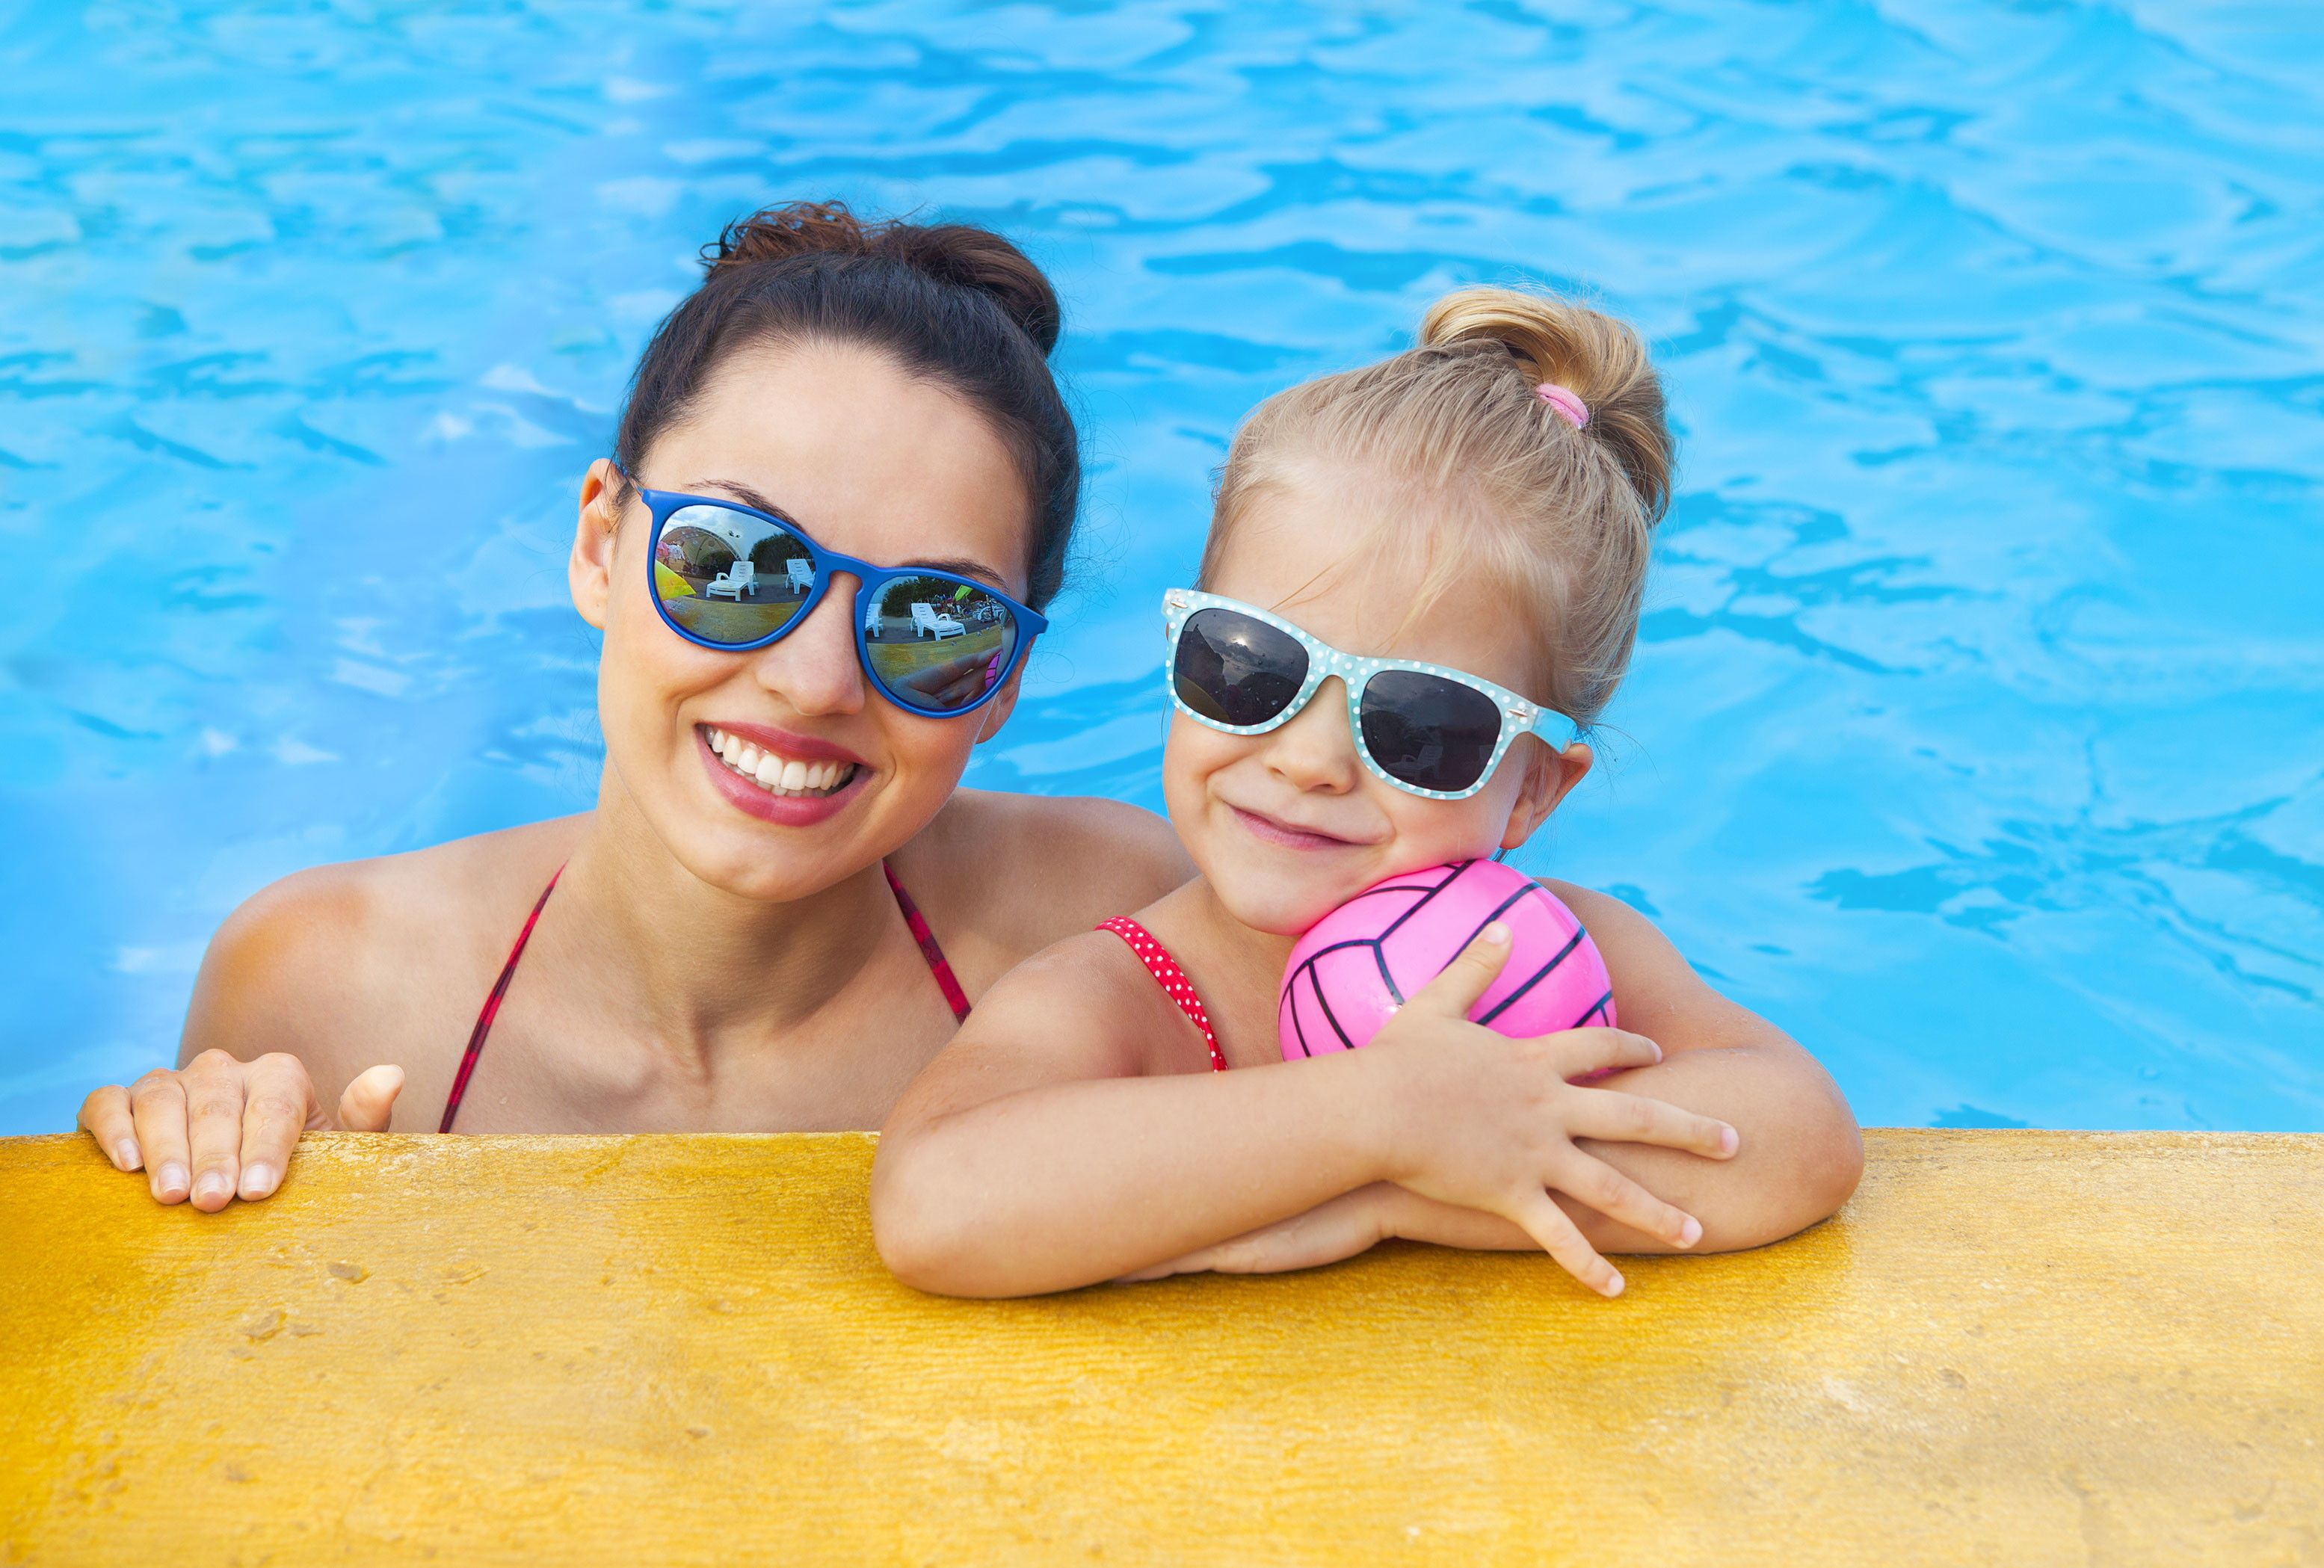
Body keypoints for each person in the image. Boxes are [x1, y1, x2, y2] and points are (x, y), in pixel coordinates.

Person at [77, 202, 1189, 1209]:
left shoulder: (1117, 934)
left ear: (1005, 683)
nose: (814, 683)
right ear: (600, 545)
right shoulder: (326, 983)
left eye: (933, 621)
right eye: (735, 564)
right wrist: (202, 1160)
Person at [872, 287, 1864, 1299]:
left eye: (1417, 723)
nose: (1308, 759)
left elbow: (1799, 1136)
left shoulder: (1556, 959)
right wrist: (1376, 1115)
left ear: (1528, 791)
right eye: (1249, 667)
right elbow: (936, 1205)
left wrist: (1391, 1197)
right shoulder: (1127, 994)